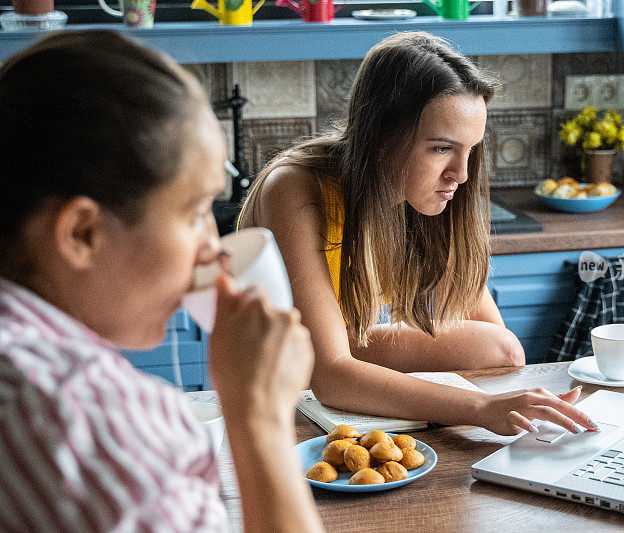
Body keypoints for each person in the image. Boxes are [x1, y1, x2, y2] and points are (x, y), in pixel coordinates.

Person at [0, 31, 323, 532]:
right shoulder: (93, 418)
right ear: (83, 233)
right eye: (195, 211)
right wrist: (258, 415)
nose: (212, 248)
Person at [238, 32, 596, 437]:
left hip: (339, 354)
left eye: (470, 150)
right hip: (279, 383)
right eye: (441, 148)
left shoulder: (421, 197)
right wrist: (481, 408)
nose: (461, 174)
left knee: (500, 347)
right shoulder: (296, 188)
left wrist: (515, 408)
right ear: (380, 135)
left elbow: (503, 355)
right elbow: (330, 374)